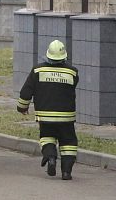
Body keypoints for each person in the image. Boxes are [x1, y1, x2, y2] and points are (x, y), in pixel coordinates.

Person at [17, 39, 79, 180]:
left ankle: (51, 157)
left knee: (47, 138)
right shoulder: (72, 72)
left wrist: (22, 107)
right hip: (66, 117)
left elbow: (26, 92)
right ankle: (66, 172)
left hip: (45, 117)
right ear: (64, 56)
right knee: (68, 143)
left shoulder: (37, 70)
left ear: (48, 55)